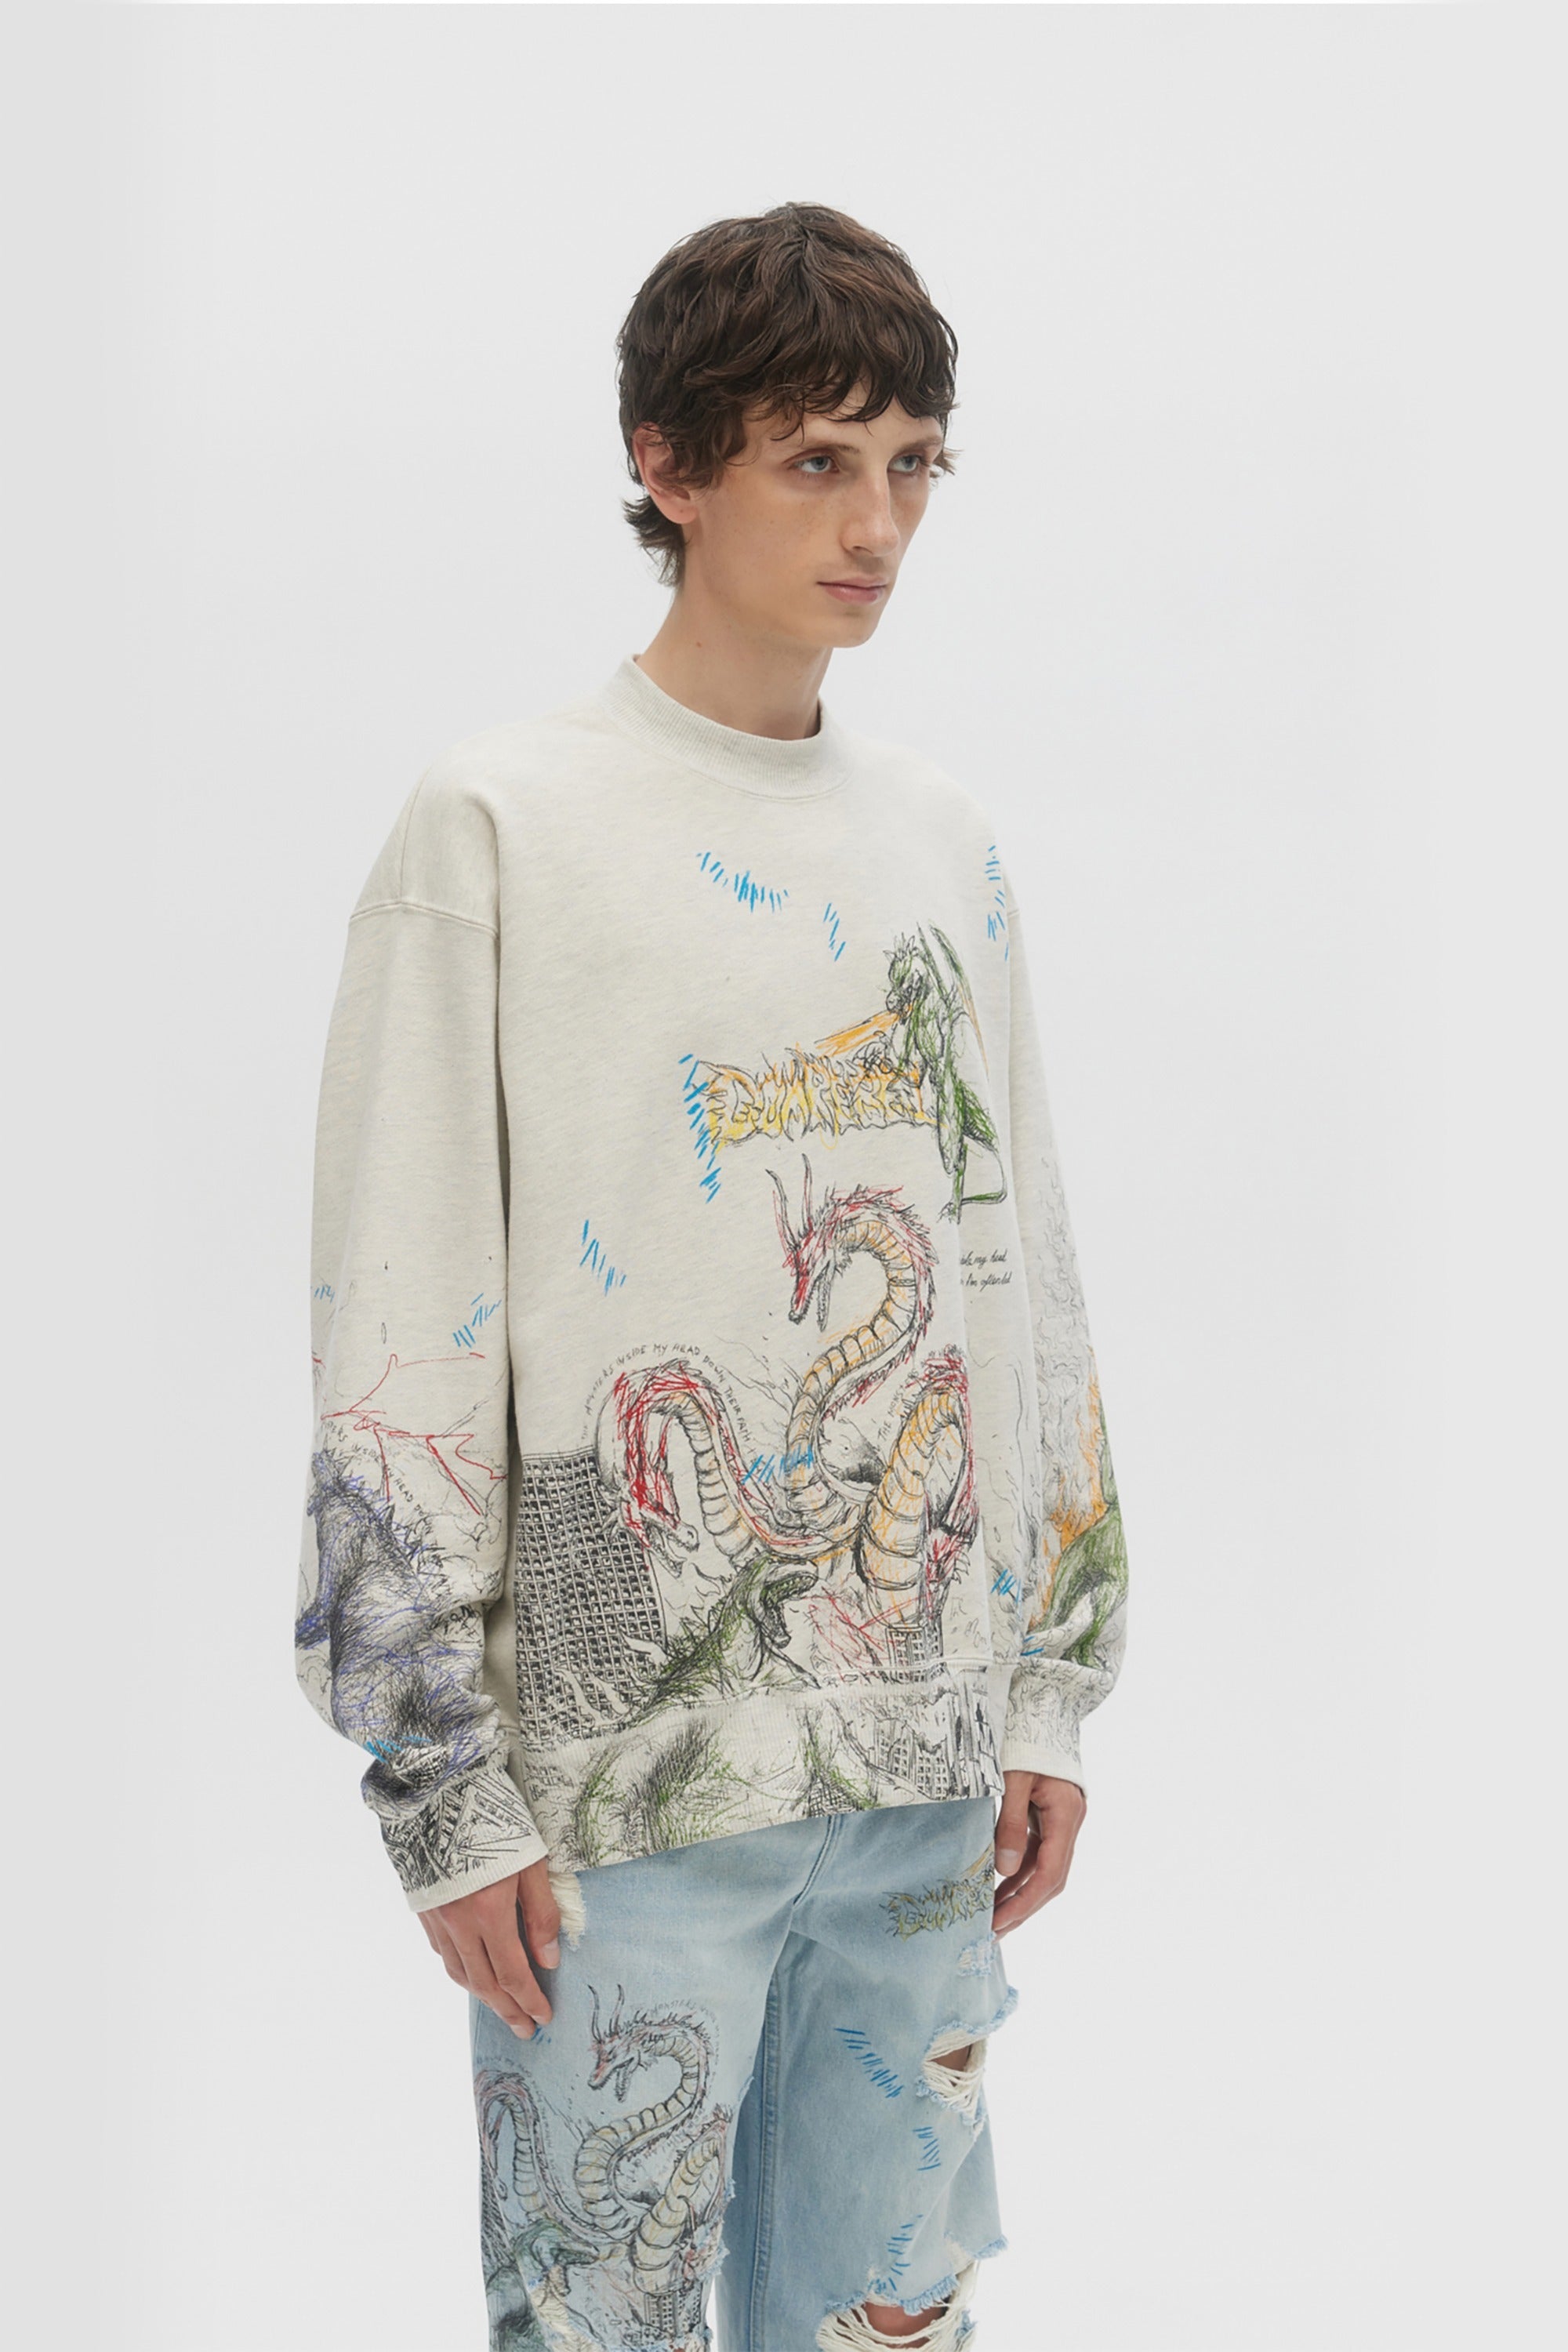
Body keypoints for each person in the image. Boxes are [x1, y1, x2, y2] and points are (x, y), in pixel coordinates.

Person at [295, 200, 1128, 2352]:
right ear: (666, 465)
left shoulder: (941, 839)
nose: (879, 524)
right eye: (817, 461)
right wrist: (440, 1781)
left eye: (914, 464)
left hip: (925, 1769)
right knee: (600, 2320)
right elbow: (402, 1311)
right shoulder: (499, 827)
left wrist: (1048, 1673)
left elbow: (1014, 1263)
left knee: (893, 2321)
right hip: (622, 1790)